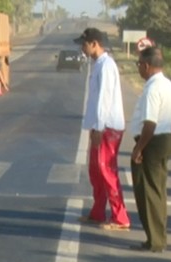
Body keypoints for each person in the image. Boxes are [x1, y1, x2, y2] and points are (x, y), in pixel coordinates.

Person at [74, 27, 131, 231]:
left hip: (107, 126)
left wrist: (98, 127)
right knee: (95, 171)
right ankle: (98, 212)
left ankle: (120, 217)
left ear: (94, 43)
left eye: (84, 44)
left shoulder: (106, 66)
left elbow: (104, 100)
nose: (82, 48)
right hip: (99, 126)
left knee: (106, 170)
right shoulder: (98, 65)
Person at [129, 46, 171, 252]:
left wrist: (138, 148)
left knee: (147, 191)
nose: (138, 69)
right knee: (157, 189)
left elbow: (150, 124)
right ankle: (158, 237)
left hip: (152, 141)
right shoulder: (166, 84)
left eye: (139, 65)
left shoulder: (153, 89)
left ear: (146, 66)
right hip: (163, 140)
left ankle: (154, 240)